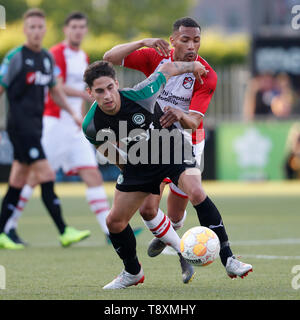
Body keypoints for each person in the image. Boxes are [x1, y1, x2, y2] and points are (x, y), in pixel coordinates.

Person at [82, 60, 253, 289]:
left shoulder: (141, 93)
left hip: (171, 148)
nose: (107, 96)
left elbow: (167, 70)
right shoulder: (91, 125)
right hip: (140, 160)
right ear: (89, 93)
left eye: (110, 88)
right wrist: (132, 175)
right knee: (114, 221)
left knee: (196, 192)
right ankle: (133, 272)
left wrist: (192, 65)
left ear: (116, 83)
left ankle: (229, 259)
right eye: (99, 91)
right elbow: (110, 152)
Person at [3, 12, 143, 245]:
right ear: (66, 30)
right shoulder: (56, 53)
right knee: (33, 177)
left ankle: (110, 231)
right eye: (74, 27)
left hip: (76, 125)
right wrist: (83, 96)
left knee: (92, 175)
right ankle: (9, 227)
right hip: (54, 124)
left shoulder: (82, 56)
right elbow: (57, 88)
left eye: (81, 27)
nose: (78, 31)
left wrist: (79, 110)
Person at [103, 18, 219, 262]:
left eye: (196, 41)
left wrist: (179, 114)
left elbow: (195, 122)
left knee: (176, 214)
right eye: (185, 40)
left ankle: (171, 231)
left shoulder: (205, 74)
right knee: (147, 208)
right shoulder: (156, 58)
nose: (191, 46)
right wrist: (143, 41)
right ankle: (180, 249)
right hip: (156, 141)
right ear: (173, 40)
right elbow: (109, 57)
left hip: (188, 141)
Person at [0, 8, 90, 249]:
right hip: (20, 127)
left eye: (40, 27)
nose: (37, 32)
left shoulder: (47, 59)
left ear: (45, 29)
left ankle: (1, 232)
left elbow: (56, 91)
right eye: (32, 27)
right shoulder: (16, 57)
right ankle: (64, 230)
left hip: (36, 126)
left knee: (18, 180)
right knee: (47, 175)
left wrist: (73, 113)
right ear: (25, 30)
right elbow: (1, 87)